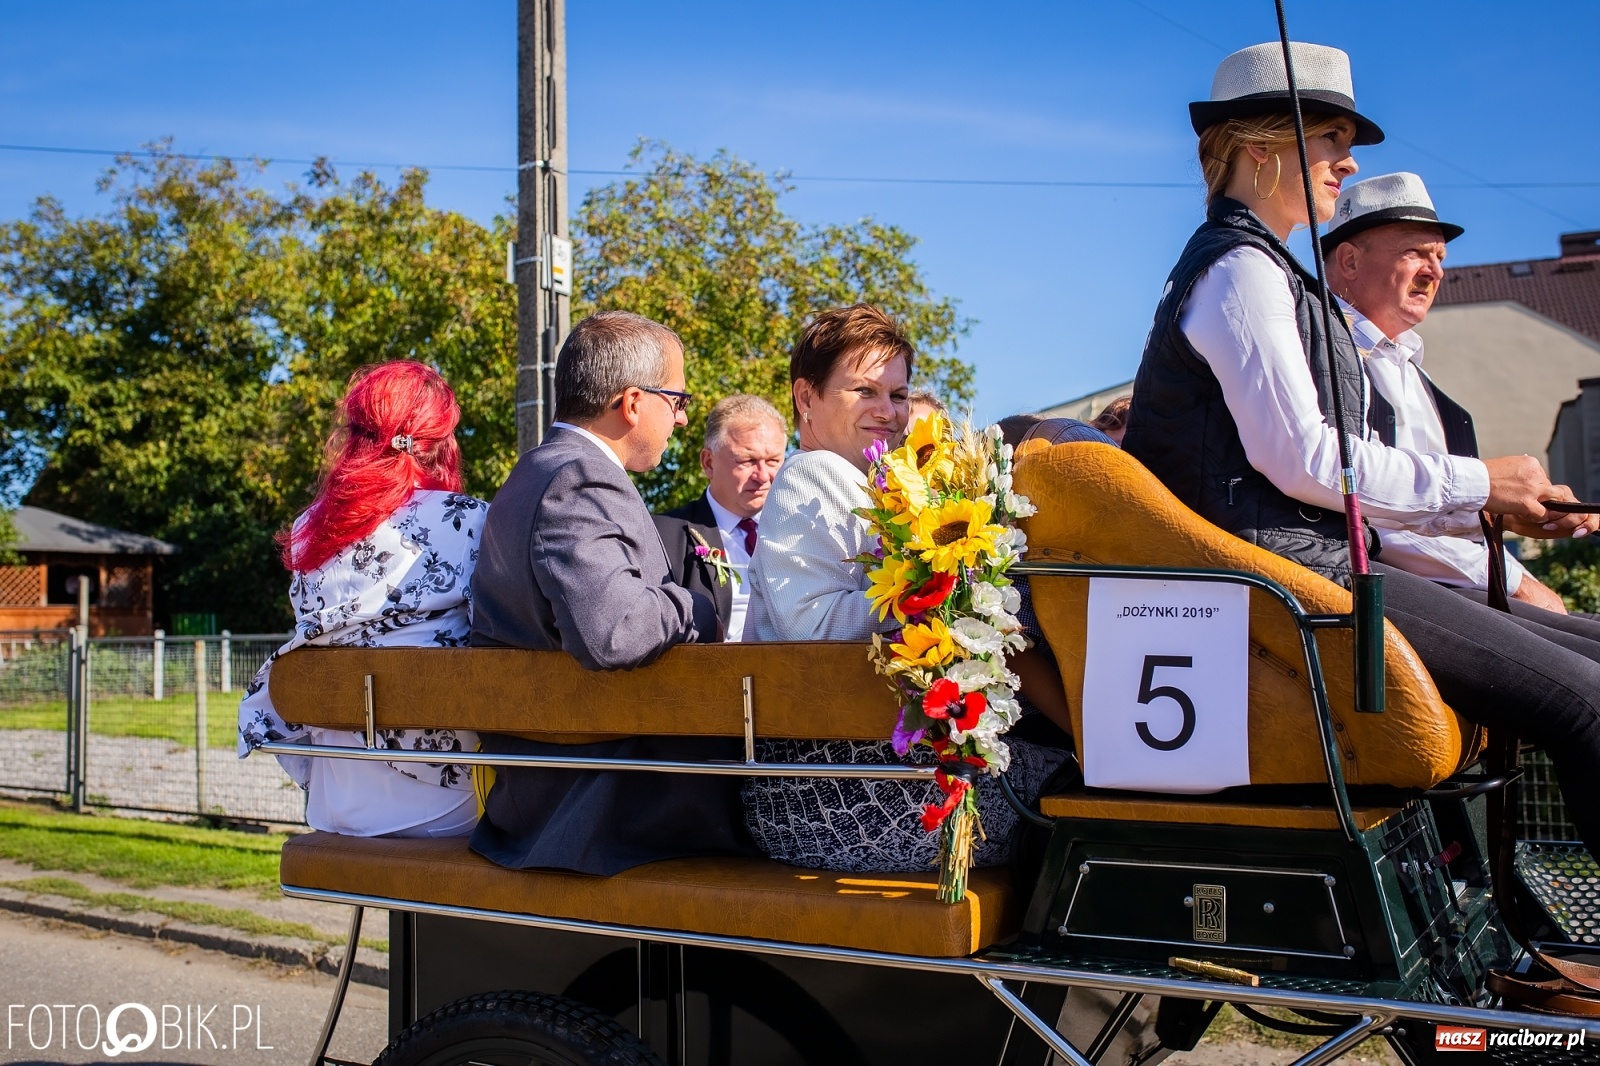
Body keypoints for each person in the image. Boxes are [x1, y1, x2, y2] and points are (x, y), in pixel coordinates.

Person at [1122, 41, 1600, 853]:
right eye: (1331, 139)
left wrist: (1487, 506)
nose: (1347, 165)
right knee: (1584, 700)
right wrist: (1479, 485)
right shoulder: (1239, 269)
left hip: (1313, 568)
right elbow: (1304, 458)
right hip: (1288, 581)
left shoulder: (1264, 269)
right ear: (1262, 146)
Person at [741, 304, 1069, 872]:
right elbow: (810, 626)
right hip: (832, 787)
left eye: (897, 395)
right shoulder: (813, 472)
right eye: (864, 391)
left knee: (1068, 777)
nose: (887, 411)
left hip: (863, 767)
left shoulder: (876, 485)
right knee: (1078, 791)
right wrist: (939, 593)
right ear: (806, 396)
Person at [468, 310, 751, 875]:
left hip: (567, 790)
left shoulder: (539, 470)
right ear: (632, 403)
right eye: (677, 400)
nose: (681, 417)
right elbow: (616, 631)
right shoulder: (578, 478)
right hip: (599, 809)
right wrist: (699, 605)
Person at [237, 361, 488, 838]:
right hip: (439, 806)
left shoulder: (310, 528)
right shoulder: (470, 522)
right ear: (441, 443)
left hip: (334, 796)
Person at [1323, 172, 1583, 620]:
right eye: (1415, 253)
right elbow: (1361, 508)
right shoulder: (1320, 352)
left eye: (1440, 257)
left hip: (1443, 594)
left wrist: (1513, 513)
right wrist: (1515, 579)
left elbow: (1420, 507)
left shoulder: (1413, 372)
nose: (1436, 271)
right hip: (1379, 600)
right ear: (1349, 261)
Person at [654, 394, 788, 643]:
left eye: (773, 461)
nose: (763, 476)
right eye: (746, 461)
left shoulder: (798, 532)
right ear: (708, 463)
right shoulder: (662, 536)